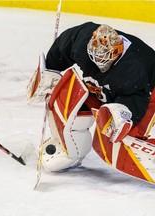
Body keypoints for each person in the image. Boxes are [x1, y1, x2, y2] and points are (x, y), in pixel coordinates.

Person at [27, 22, 155, 177]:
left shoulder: (133, 69)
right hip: (108, 88)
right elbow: (62, 47)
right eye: (96, 58)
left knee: (117, 143)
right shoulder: (82, 40)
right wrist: (49, 70)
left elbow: (136, 98)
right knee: (64, 93)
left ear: (117, 52)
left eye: (104, 59)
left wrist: (124, 113)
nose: (99, 64)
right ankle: (68, 149)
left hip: (147, 90)